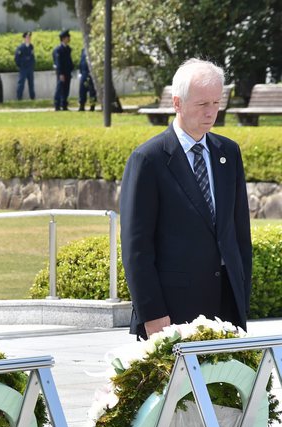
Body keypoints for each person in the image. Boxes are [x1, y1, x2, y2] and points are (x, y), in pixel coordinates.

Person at [121, 57, 250, 340]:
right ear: (177, 103)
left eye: (216, 103)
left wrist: (242, 294)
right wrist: (152, 313)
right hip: (172, 312)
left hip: (226, 305)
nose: (211, 112)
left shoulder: (228, 152)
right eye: (202, 104)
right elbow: (136, 247)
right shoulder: (148, 159)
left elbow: (239, 234)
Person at [53, 29, 74, 111]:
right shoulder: (58, 50)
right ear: (63, 38)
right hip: (61, 73)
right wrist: (61, 73)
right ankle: (57, 104)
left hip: (67, 72)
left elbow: (69, 60)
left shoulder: (68, 49)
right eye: (67, 37)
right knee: (60, 88)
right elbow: (58, 63)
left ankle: (64, 104)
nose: (69, 39)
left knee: (66, 89)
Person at [14, 31, 36, 101]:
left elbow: (32, 57)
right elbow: (17, 58)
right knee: (21, 83)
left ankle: (32, 97)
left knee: (31, 84)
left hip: (30, 68)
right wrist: (20, 65)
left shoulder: (31, 46)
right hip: (23, 68)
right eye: (27, 37)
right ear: (24, 38)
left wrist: (32, 64)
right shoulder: (20, 47)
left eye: (29, 37)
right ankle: (19, 98)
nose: (28, 39)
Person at [78, 47, 97, 111]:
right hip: (84, 73)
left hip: (91, 73)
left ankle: (92, 106)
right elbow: (81, 62)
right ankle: (82, 105)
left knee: (92, 91)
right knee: (82, 90)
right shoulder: (83, 50)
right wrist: (80, 72)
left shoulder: (94, 49)